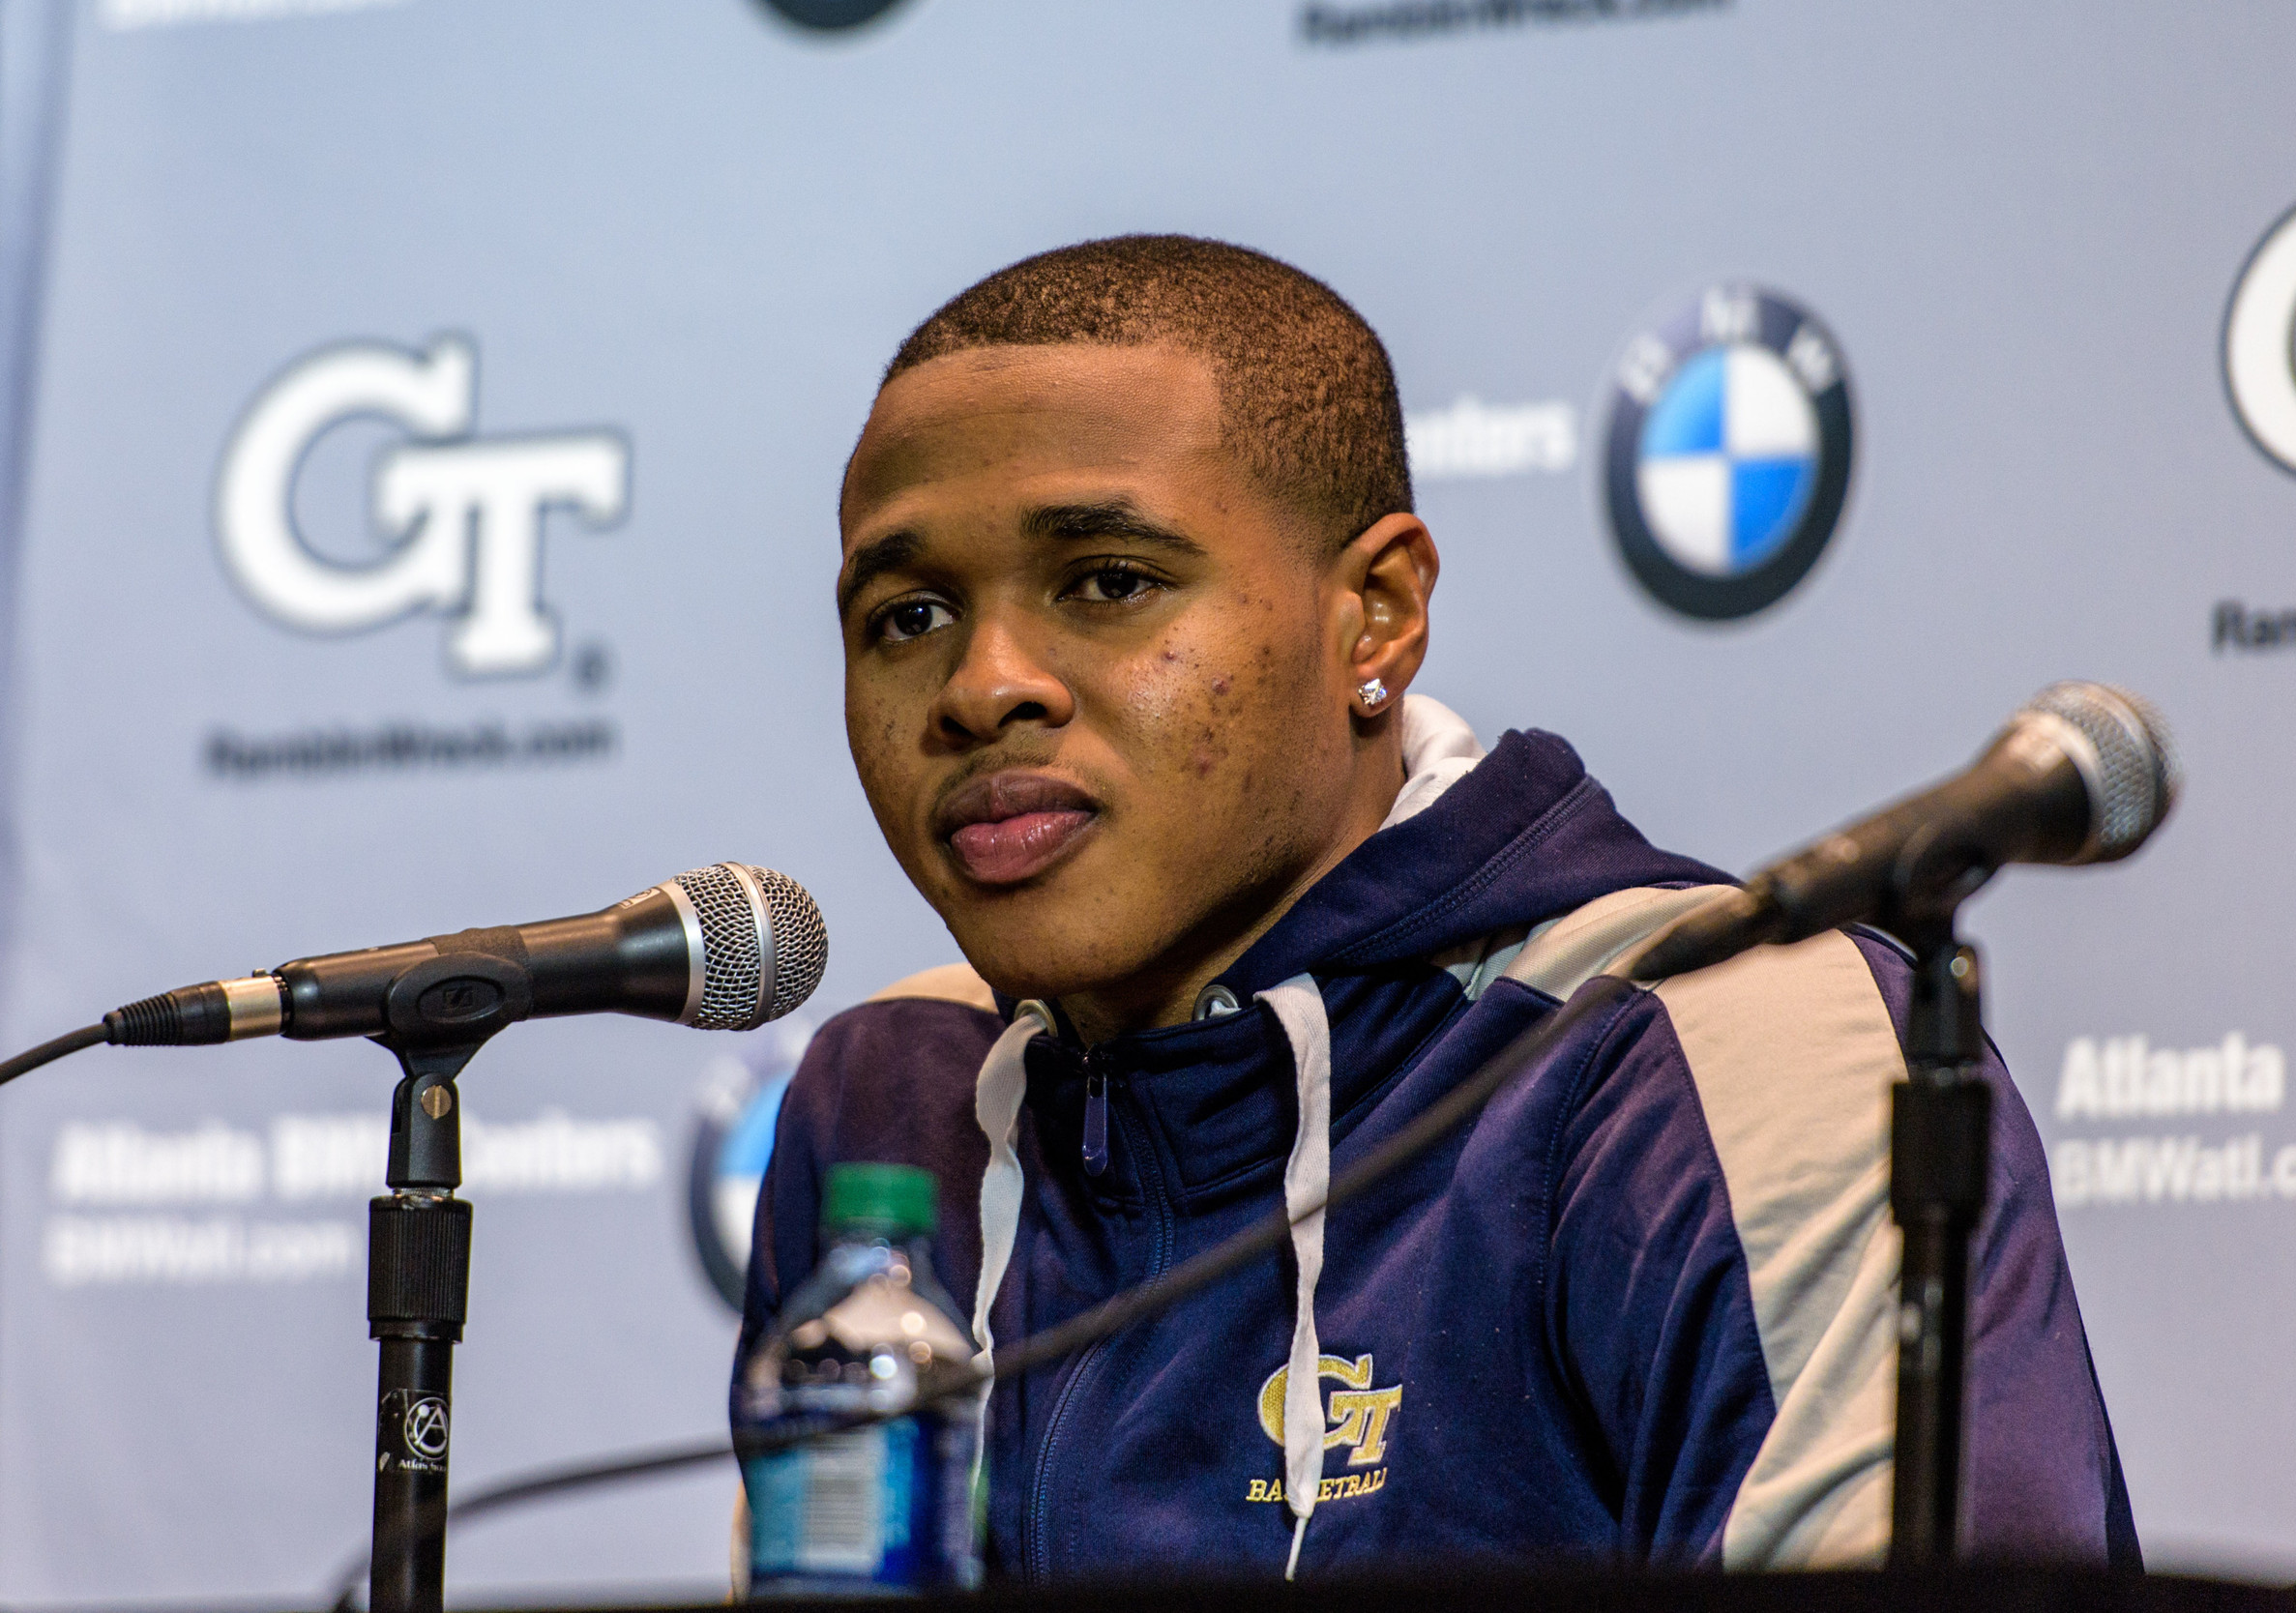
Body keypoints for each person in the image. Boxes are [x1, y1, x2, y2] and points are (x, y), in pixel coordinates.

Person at [736, 235, 2136, 1582]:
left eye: (1108, 583)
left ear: (1379, 617)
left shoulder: (1726, 1053)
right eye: (909, 616)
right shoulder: (895, 1097)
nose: (983, 689)